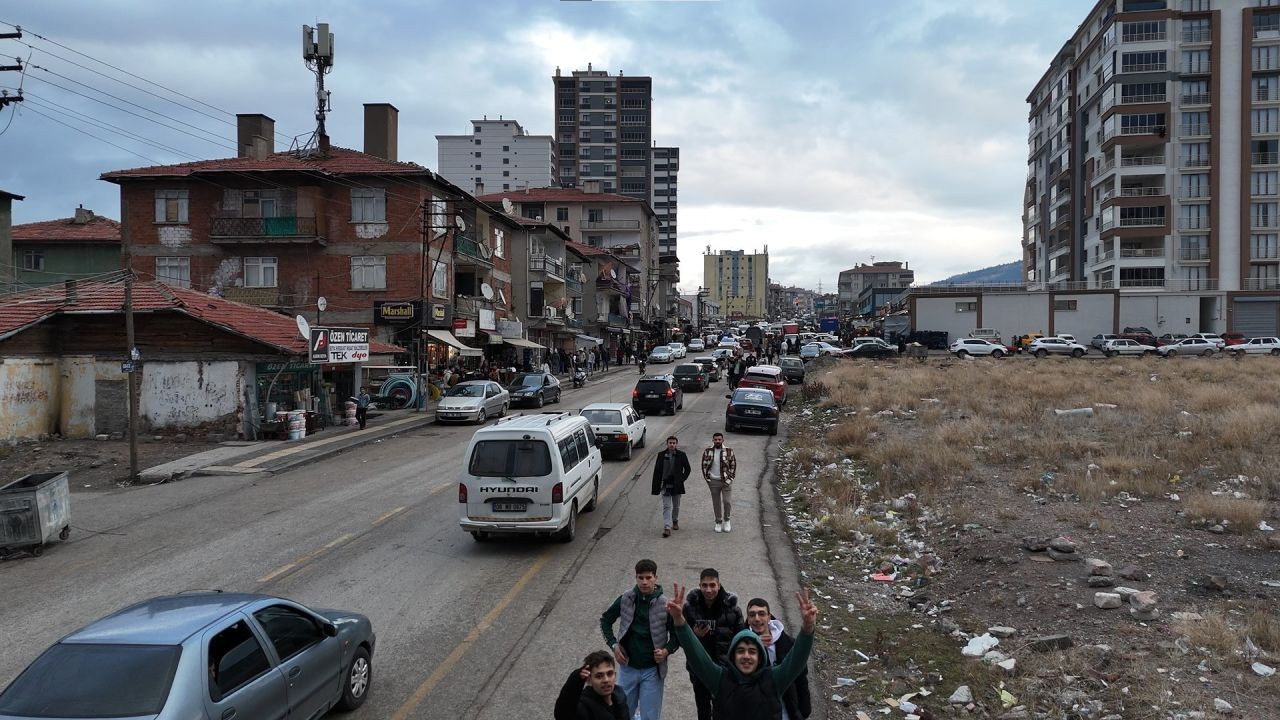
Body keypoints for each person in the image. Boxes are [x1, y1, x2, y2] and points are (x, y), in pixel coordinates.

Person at [667, 585, 818, 720]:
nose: (746, 656)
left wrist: (808, 626)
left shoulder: (774, 680)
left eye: (752, 651)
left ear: (760, 657)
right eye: (740, 651)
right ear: (732, 655)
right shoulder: (719, 679)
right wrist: (679, 620)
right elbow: (696, 655)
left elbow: (796, 659)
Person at [600, 559, 680, 720]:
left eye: (648, 578)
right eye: (640, 577)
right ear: (635, 577)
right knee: (622, 714)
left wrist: (666, 651)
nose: (644, 582)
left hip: (652, 670)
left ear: (655, 578)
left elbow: (678, 635)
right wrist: (614, 645)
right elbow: (605, 620)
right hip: (628, 667)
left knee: (650, 716)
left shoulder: (665, 604)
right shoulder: (626, 598)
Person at [682, 569, 746, 720]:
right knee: (703, 712)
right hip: (699, 670)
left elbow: (741, 640)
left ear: (719, 585)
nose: (708, 590)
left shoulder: (733, 610)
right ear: (699, 585)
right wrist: (693, 635)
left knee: (724, 712)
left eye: (712, 585)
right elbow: (681, 639)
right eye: (704, 585)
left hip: (724, 670)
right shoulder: (690, 609)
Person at [745, 599, 811, 720]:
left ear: (769, 617)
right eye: (752, 615)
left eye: (761, 613)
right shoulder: (741, 647)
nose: (757, 619)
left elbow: (800, 677)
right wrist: (755, 648)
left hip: (787, 712)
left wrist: (804, 710)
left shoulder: (788, 643)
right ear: (748, 619)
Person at [555, 650, 630, 720]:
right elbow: (562, 714)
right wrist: (575, 680)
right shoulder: (584, 705)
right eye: (599, 676)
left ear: (615, 675)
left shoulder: (620, 695)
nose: (606, 680)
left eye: (609, 674)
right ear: (589, 679)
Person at [651, 436, 691, 537]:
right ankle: (667, 527)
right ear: (667, 444)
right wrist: (656, 485)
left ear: (676, 444)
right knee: (667, 506)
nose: (672, 444)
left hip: (677, 485)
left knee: (676, 506)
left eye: (674, 443)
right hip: (665, 485)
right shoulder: (661, 455)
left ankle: (675, 521)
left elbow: (687, 469)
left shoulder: (681, 455)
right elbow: (657, 471)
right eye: (670, 443)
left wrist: (681, 480)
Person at [701, 432, 737, 533]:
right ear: (713, 440)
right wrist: (707, 479)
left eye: (719, 439)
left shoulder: (729, 451)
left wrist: (730, 479)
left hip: (726, 481)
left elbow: (733, 466)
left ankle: (727, 520)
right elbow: (704, 465)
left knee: (727, 501)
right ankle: (718, 522)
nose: (717, 441)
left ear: (722, 440)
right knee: (716, 503)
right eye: (715, 439)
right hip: (713, 481)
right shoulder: (707, 451)